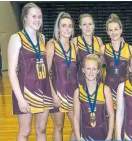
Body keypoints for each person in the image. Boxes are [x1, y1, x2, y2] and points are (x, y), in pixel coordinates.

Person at [7, 3, 53, 141]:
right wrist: (20, 99)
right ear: (25, 18)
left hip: (43, 89)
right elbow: (11, 72)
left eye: (39, 16)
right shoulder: (16, 38)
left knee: (42, 129)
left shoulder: (42, 38)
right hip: (25, 90)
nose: (37, 20)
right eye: (33, 16)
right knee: (25, 131)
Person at [46, 12, 77, 141]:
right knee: (59, 126)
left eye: (70, 26)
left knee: (77, 126)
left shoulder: (74, 47)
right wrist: (53, 94)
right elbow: (45, 72)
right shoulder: (51, 45)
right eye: (64, 26)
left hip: (72, 92)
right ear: (58, 28)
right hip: (57, 92)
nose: (67, 29)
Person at [73, 54, 114, 140]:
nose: (91, 72)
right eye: (88, 69)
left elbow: (111, 115)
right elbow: (76, 118)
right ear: (83, 70)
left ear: (98, 71)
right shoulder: (78, 92)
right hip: (85, 137)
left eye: (94, 69)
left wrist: (109, 136)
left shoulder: (105, 90)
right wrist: (77, 137)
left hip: (103, 135)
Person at [101, 13, 132, 108]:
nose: (114, 32)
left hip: (126, 88)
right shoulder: (103, 48)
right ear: (107, 32)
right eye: (110, 30)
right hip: (108, 88)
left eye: (116, 29)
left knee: (124, 120)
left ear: (121, 30)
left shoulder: (130, 49)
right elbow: (98, 71)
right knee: (110, 119)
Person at [71, 13, 105, 84]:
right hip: (81, 82)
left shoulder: (99, 40)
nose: (87, 27)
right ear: (80, 26)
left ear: (94, 26)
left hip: (97, 82)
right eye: (84, 24)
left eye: (90, 24)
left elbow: (103, 63)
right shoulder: (75, 41)